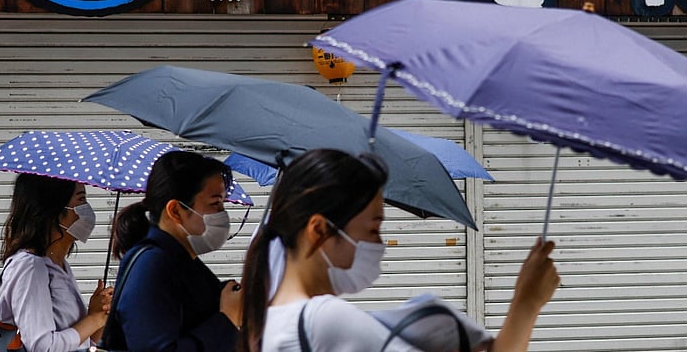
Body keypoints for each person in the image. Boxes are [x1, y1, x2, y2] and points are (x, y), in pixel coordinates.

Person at [239, 149, 560, 352]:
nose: (378, 245)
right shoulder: (323, 319)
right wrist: (526, 302)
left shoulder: (270, 319)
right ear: (320, 230)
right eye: (373, 229)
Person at [101, 150, 241, 351]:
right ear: (175, 210)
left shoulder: (182, 261)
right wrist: (226, 318)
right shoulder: (151, 264)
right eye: (215, 203)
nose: (222, 214)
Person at [0, 174, 113, 352]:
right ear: (53, 208)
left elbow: (81, 343)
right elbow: (42, 346)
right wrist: (93, 320)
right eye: (81, 199)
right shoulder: (30, 267)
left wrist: (99, 315)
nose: (87, 209)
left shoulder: (59, 265)